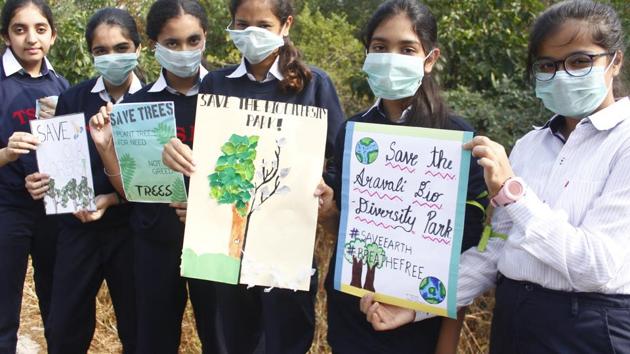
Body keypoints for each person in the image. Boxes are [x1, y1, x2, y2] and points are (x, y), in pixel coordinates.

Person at [362, 1, 630, 353]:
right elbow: (494, 253)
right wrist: (413, 305)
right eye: (547, 65)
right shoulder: (530, 146)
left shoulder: (624, 141)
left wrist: (513, 193)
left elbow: (597, 267)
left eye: (580, 61)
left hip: (590, 328)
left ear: (615, 61)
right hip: (514, 319)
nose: (562, 74)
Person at [161, 0, 345, 352]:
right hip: (229, 249)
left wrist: (326, 190)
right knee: (235, 339)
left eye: (263, 24)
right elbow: (209, 161)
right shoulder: (215, 83)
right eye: (241, 24)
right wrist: (186, 178)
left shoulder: (313, 84)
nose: (251, 34)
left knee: (285, 340)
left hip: (288, 247)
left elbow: (338, 159)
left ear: (285, 25)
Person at [317, 1, 487, 353]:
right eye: (380, 48)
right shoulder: (352, 130)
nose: (391, 57)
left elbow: (464, 254)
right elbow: (344, 228)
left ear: (430, 58)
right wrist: (328, 211)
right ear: (366, 54)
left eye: (406, 49)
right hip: (351, 317)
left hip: (418, 326)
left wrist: (446, 345)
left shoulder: (457, 139)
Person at [89, 1, 213, 353]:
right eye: (172, 43)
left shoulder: (224, 96)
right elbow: (130, 190)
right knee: (153, 340)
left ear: (206, 38)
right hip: (155, 242)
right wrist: (107, 150)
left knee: (222, 337)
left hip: (213, 243)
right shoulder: (135, 107)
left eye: (193, 40)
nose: (184, 52)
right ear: (154, 44)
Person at [23, 7, 143, 353]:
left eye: (121, 48)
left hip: (130, 232)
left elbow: (154, 181)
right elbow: (59, 166)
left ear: (137, 48)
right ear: (90, 53)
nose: (112, 57)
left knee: (136, 328)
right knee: (64, 328)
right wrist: (41, 183)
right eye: (101, 51)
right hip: (78, 230)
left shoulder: (152, 101)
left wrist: (111, 200)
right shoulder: (73, 99)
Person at [0, 0, 68, 352]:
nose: (31, 39)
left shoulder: (62, 85)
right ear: (5, 35)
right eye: (20, 29)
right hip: (6, 208)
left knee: (57, 305)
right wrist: (8, 154)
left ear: (53, 35)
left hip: (52, 211)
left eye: (40, 29)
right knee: (3, 309)